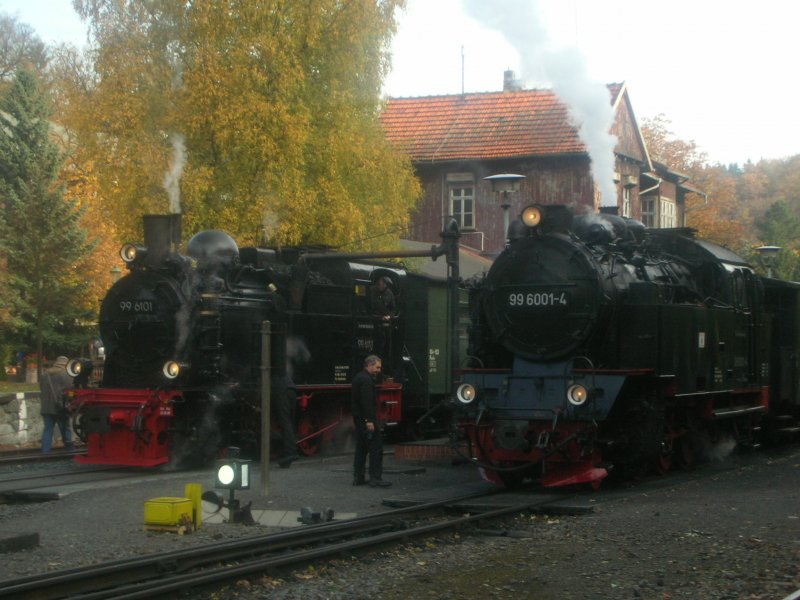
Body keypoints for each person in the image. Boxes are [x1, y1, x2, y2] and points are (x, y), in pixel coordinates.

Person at [351, 355, 391, 487]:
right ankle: (375, 478)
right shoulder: (366, 380)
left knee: (361, 449)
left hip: (358, 419)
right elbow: (367, 402)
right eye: (377, 367)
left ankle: (358, 477)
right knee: (376, 448)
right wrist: (369, 420)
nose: (379, 370)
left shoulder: (358, 377)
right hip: (367, 420)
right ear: (369, 365)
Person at [40, 356, 75, 453]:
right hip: (60, 407)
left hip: (46, 407)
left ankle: (45, 451)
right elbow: (71, 390)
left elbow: (41, 388)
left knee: (48, 429)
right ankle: (69, 449)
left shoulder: (45, 374)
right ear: (66, 364)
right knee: (66, 428)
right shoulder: (66, 374)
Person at [272, 373, 299, 468]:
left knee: (285, 421)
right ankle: (289, 452)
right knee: (287, 421)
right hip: (288, 387)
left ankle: (290, 452)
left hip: (281, 389)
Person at [371, 277, 396, 374]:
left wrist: (389, 316)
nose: (381, 286)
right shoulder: (373, 291)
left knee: (387, 346)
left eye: (383, 284)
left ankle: (385, 369)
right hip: (375, 321)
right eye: (380, 284)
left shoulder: (389, 294)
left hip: (386, 323)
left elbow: (393, 309)